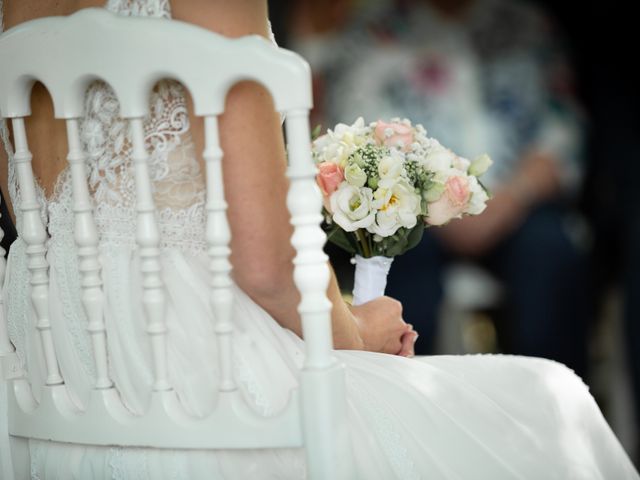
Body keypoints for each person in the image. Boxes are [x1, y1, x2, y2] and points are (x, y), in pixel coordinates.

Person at [0, 0, 637, 478]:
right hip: (200, 362)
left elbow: (26, 202)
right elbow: (267, 266)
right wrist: (358, 331)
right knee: (546, 403)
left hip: (55, 353)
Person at [289, 0, 591, 374]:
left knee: (552, 252)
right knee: (398, 258)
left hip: (516, 202)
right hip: (414, 211)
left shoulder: (526, 23)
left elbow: (562, 128)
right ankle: (410, 401)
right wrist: (439, 204)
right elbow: (355, 133)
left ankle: (552, 402)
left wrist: (509, 199)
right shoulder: (374, 30)